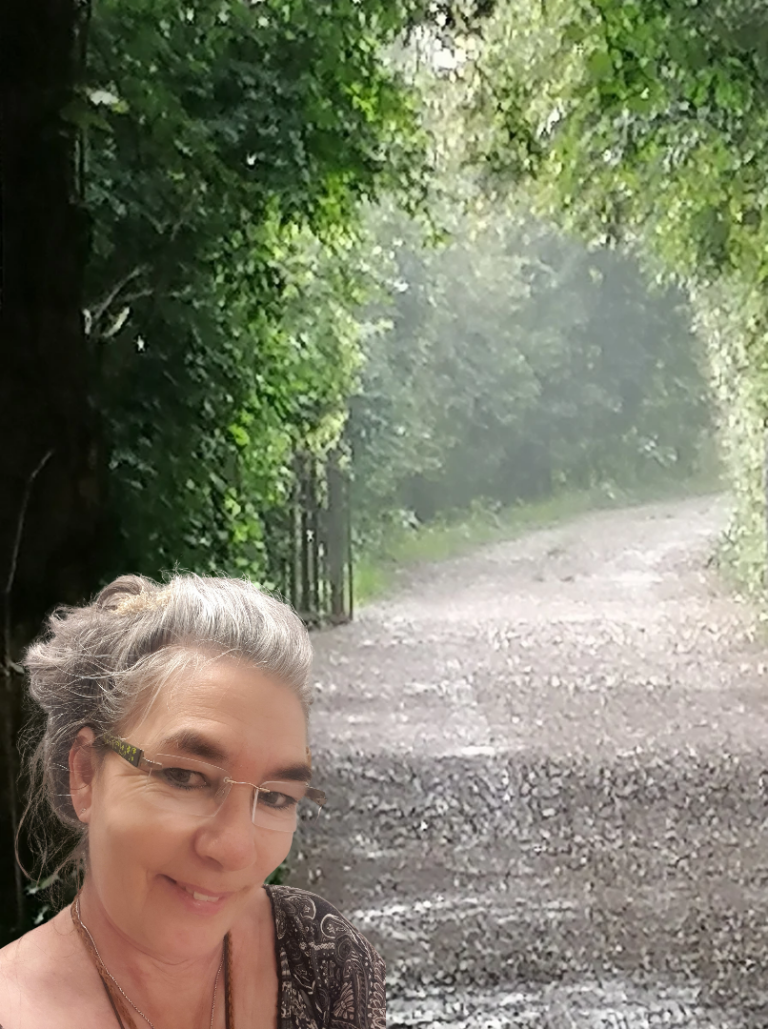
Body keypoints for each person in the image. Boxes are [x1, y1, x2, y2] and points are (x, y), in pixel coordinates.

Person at [0, 574, 385, 1029]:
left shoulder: (324, 961)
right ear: (85, 774)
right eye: (184, 777)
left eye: (276, 797)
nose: (235, 849)